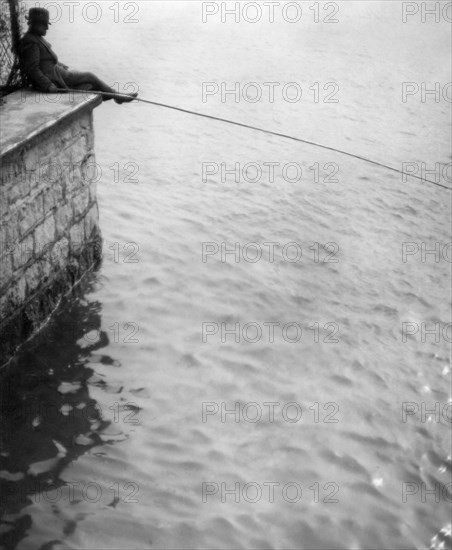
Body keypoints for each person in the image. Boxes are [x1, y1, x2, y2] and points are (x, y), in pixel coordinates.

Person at [18, 8, 137, 104]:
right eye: (44, 24)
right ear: (34, 24)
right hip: (54, 78)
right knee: (89, 76)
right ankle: (116, 96)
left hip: (58, 73)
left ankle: (114, 96)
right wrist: (48, 85)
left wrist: (59, 64)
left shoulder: (36, 38)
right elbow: (32, 69)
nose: (47, 27)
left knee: (89, 86)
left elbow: (44, 60)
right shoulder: (31, 41)